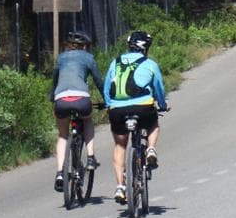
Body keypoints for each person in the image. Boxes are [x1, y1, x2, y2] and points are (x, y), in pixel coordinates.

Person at [104, 30, 169, 204]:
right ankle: (151, 149)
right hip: (143, 107)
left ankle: (120, 187)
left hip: (117, 109)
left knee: (120, 144)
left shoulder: (115, 63)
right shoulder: (150, 64)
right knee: (153, 124)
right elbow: (159, 89)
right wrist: (162, 104)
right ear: (145, 48)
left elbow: (106, 89)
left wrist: (110, 105)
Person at [50, 30, 105, 192]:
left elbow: (54, 82)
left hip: (61, 99)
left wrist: (53, 98)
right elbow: (98, 81)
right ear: (84, 47)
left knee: (62, 135)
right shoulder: (88, 58)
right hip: (81, 99)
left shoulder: (60, 58)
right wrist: (107, 101)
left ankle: (60, 173)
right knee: (87, 120)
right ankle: (90, 157)